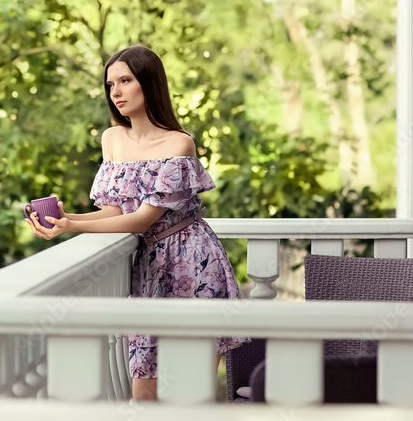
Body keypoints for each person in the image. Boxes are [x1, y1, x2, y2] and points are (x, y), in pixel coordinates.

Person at [25, 45, 251, 402]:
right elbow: (116, 212)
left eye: (125, 81)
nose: (115, 91)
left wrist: (72, 227)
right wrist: (66, 219)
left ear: (148, 83)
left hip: (193, 260)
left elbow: (144, 218)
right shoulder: (112, 139)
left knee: (189, 394)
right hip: (149, 267)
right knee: (144, 393)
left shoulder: (179, 144)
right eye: (110, 83)